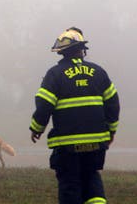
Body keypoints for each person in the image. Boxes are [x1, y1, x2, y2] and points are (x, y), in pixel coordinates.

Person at [30, 27, 120, 204]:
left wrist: (36, 128)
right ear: (82, 50)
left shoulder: (55, 74)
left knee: (70, 183)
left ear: (62, 53)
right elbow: (113, 103)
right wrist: (111, 131)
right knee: (91, 177)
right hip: (96, 142)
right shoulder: (99, 72)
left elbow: (44, 105)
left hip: (67, 143)